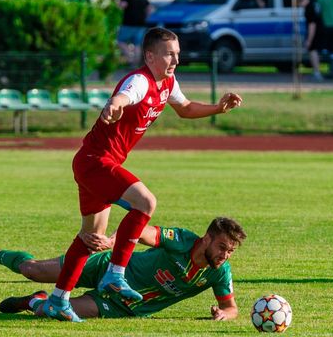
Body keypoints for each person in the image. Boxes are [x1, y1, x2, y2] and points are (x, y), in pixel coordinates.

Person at [37, 27, 242, 322]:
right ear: (150, 56)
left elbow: (184, 108)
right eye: (169, 54)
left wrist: (218, 108)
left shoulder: (167, 82)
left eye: (178, 54)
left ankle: (58, 299)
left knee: (91, 238)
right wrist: (114, 105)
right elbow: (124, 96)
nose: (176, 60)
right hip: (96, 162)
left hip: (96, 164)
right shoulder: (140, 81)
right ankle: (116, 274)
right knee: (146, 202)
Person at [0, 217, 247, 320]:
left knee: (52, 313)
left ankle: (34, 302)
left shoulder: (219, 272)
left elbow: (231, 307)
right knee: (32, 270)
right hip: (108, 267)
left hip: (122, 305)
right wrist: (115, 241)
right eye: (222, 247)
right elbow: (140, 230)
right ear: (206, 239)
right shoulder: (181, 240)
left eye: (230, 251)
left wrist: (224, 314)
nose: (225, 255)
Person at [117, 0, 153, 66]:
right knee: (137, 44)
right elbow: (149, 8)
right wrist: (145, 17)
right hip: (141, 24)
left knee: (120, 41)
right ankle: (135, 64)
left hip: (128, 23)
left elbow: (123, 5)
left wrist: (118, 3)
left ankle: (130, 57)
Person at [301, 0, 324, 82]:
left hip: (314, 33)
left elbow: (312, 25)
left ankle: (317, 73)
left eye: (300, 2)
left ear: (305, 0)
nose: (300, 5)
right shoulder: (314, 5)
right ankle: (316, 72)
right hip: (319, 31)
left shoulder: (309, 8)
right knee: (314, 51)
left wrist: (309, 40)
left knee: (313, 51)